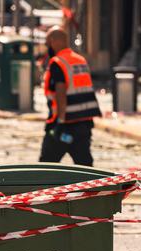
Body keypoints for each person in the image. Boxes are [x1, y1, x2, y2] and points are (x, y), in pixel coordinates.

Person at [39, 27, 100, 166]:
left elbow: (61, 93)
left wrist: (60, 122)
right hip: (84, 122)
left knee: (46, 167)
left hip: (65, 124)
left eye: (47, 44)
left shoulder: (58, 62)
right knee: (85, 166)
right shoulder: (80, 60)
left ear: (54, 41)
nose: (47, 48)